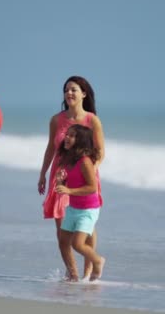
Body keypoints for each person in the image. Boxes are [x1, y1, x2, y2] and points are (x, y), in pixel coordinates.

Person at [37, 75, 105, 279]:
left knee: (86, 226)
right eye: (66, 90)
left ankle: (89, 272)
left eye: (74, 89)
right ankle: (73, 274)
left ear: (83, 93)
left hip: (84, 176)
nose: (69, 93)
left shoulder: (92, 120)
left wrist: (90, 169)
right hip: (60, 177)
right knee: (63, 230)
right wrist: (43, 173)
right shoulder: (56, 120)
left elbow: (100, 151)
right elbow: (51, 148)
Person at [54, 124, 105, 282]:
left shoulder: (85, 162)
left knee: (77, 244)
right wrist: (62, 180)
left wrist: (69, 191)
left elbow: (92, 187)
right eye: (67, 134)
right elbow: (72, 182)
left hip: (88, 210)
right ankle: (73, 276)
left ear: (80, 141)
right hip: (74, 208)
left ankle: (98, 261)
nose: (66, 138)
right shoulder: (69, 159)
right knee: (63, 242)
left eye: (71, 136)